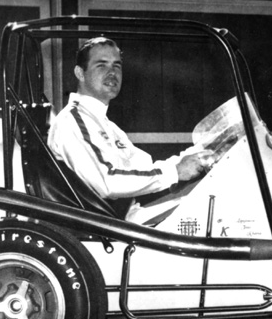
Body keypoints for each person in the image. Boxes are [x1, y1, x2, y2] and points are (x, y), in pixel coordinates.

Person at [48, 37, 213, 218]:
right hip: (108, 227)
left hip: (126, 218)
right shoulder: (72, 121)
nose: (112, 72)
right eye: (101, 65)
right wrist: (176, 172)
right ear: (80, 73)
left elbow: (143, 168)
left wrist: (198, 154)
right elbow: (107, 182)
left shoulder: (105, 124)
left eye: (117, 66)